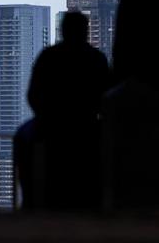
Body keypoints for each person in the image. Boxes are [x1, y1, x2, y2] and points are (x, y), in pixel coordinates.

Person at [15, 11, 110, 209]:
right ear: (85, 31)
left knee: (21, 138)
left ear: (63, 30)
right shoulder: (97, 59)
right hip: (88, 125)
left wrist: (46, 116)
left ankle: (30, 199)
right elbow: (106, 98)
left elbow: (33, 95)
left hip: (50, 125)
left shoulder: (49, 56)